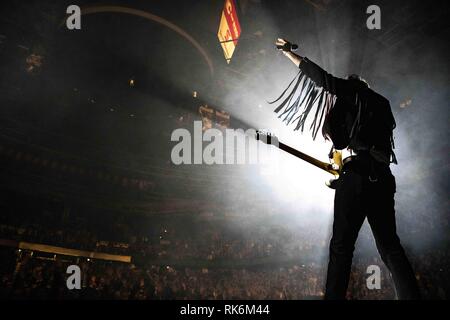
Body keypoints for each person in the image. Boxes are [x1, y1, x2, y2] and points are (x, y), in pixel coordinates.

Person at [273, 38, 420, 300]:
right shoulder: (383, 104)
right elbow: (369, 142)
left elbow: (322, 79)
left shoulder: (352, 92)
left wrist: (290, 55)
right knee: (389, 246)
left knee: (341, 248)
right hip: (382, 178)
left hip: (357, 177)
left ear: (353, 84)